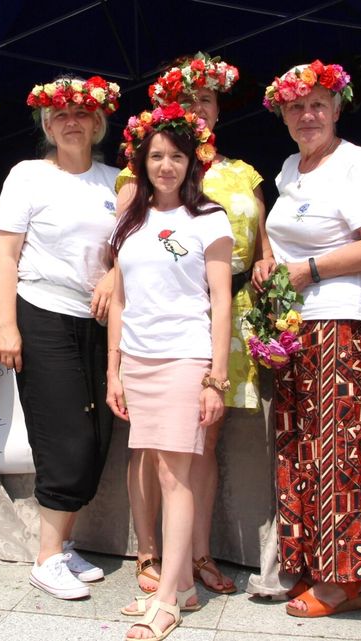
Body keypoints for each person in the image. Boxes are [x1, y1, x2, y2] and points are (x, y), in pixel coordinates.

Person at [252, 60, 361, 618]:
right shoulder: (290, 167)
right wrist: (272, 265)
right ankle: (312, 561)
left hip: (343, 320)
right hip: (295, 325)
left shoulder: (355, 161)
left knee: (341, 449)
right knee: (299, 446)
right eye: (295, 106)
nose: (307, 114)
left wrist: (310, 271)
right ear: (283, 115)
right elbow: (284, 241)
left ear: (337, 109)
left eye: (317, 104)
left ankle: (347, 578)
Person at [119, 51, 265, 597]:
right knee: (150, 447)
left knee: (201, 440)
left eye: (207, 99)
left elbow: (263, 246)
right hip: (151, 326)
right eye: (187, 101)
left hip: (218, 312)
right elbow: (123, 250)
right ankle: (151, 554)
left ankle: (195, 553)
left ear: (219, 108)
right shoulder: (142, 173)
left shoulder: (240, 176)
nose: (198, 108)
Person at [0, 75, 122, 600]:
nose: (72, 121)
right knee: (64, 438)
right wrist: (7, 325)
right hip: (41, 313)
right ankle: (46, 558)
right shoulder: (27, 176)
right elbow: (4, 254)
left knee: (98, 438)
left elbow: (131, 247)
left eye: (81, 113)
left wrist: (114, 276)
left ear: (98, 122)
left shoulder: (119, 180)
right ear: (47, 124)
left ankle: (63, 545)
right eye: (60, 114)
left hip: (99, 323)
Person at [108, 104, 231, 641]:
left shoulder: (208, 218)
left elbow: (221, 303)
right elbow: (119, 298)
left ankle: (167, 601)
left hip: (185, 356)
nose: (165, 166)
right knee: (158, 469)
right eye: (155, 156)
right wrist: (114, 368)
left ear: (191, 162)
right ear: (142, 160)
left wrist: (215, 377)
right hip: (137, 359)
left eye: (175, 156)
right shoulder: (131, 220)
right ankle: (181, 585)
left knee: (175, 475)